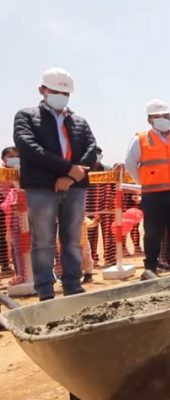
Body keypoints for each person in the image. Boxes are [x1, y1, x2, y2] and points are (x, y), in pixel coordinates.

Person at [13, 68, 97, 301]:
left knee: (72, 239)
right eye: (56, 91)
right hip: (41, 188)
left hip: (75, 187)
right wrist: (66, 169)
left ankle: (72, 286)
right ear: (42, 90)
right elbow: (29, 148)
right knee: (43, 241)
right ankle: (46, 291)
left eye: (65, 92)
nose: (61, 95)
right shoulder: (26, 116)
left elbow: (92, 149)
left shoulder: (79, 121)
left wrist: (71, 177)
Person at [125, 99, 170, 278]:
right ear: (149, 120)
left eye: (166, 116)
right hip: (153, 195)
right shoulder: (140, 139)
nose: (163, 119)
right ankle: (151, 266)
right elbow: (130, 164)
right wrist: (144, 181)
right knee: (153, 232)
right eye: (158, 116)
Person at [0, 147, 18, 275]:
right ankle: (5, 264)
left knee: (16, 238)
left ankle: (16, 266)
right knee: (2, 236)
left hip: (17, 208)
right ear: (3, 158)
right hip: (3, 206)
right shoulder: (1, 171)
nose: (14, 159)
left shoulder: (21, 170)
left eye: (16, 156)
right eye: (10, 156)